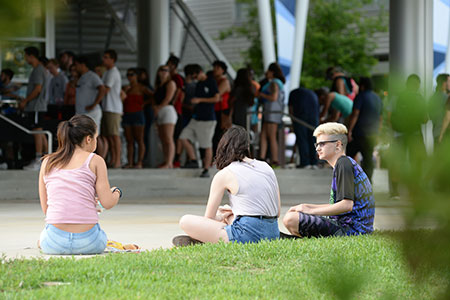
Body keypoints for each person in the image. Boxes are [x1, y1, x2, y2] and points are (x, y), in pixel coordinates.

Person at [173, 126, 280, 246]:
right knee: (229, 214)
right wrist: (229, 213)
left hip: (247, 234)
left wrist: (220, 216)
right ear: (247, 147)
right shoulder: (266, 167)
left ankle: (208, 240)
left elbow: (208, 218)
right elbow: (278, 212)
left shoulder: (225, 173)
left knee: (185, 221)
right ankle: (219, 234)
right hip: (273, 232)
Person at [38, 115, 121, 255]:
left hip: (53, 243)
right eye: (96, 137)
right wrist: (117, 191)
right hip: (90, 243)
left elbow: (47, 208)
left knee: (42, 239)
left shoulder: (48, 162)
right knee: (102, 236)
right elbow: (107, 202)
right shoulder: (96, 161)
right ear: (88, 139)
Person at [282, 122, 375, 238]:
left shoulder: (343, 163)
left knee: (291, 219)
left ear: (338, 145)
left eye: (322, 144)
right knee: (294, 214)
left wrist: (310, 211)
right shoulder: (344, 163)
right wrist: (306, 207)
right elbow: (341, 205)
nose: (317, 148)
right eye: (317, 144)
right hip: (349, 226)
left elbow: (346, 205)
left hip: (353, 230)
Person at [179, 67, 220, 177]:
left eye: (195, 76)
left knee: (206, 145)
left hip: (207, 119)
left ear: (200, 72)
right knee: (183, 137)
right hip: (196, 118)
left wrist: (200, 100)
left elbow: (216, 98)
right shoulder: (198, 85)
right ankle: (193, 159)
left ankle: (206, 168)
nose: (195, 79)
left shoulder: (211, 82)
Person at [347, 77, 383, 182]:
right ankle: (368, 183)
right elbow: (380, 118)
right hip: (372, 133)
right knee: (368, 159)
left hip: (360, 132)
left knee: (348, 156)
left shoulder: (360, 96)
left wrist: (349, 130)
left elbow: (355, 114)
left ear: (362, 86)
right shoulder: (378, 98)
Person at [19, 46, 49, 170]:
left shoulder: (38, 70)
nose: (25, 59)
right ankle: (47, 158)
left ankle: (39, 159)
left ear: (31, 56)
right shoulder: (39, 70)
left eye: (26, 56)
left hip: (36, 105)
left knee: (37, 132)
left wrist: (25, 101)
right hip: (38, 105)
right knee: (40, 132)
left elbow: (37, 89)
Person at [74, 55, 107, 157]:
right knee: (82, 136)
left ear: (82, 65)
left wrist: (94, 104)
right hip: (82, 113)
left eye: (76, 65)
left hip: (92, 112)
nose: (75, 68)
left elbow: (102, 89)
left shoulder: (92, 76)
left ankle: (101, 160)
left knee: (95, 136)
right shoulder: (82, 77)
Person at [122, 68, 153, 168]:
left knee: (139, 139)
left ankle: (140, 162)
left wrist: (144, 104)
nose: (130, 77)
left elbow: (153, 97)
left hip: (138, 114)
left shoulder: (141, 88)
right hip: (127, 114)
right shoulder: (126, 88)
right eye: (128, 75)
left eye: (132, 75)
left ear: (136, 76)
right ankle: (130, 162)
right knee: (129, 140)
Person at [258, 62, 285, 167]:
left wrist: (262, 95)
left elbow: (273, 97)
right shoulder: (278, 83)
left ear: (272, 72)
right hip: (270, 112)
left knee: (271, 136)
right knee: (264, 135)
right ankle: (262, 157)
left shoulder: (274, 83)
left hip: (272, 112)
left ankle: (274, 159)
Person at [173, 64, 200, 168]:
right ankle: (188, 159)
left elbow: (181, 100)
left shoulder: (185, 87)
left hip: (185, 114)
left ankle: (179, 159)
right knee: (186, 138)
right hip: (190, 115)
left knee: (182, 137)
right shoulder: (195, 86)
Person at [288, 86, 320, 169]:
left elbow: (290, 109)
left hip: (300, 116)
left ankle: (305, 162)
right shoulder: (312, 94)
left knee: (302, 139)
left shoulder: (293, 93)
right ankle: (314, 162)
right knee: (313, 139)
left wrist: (293, 122)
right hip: (313, 117)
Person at [101, 49, 122, 168]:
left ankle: (117, 160)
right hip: (107, 107)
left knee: (114, 135)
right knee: (108, 136)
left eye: (106, 57)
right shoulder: (107, 72)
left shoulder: (113, 72)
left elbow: (106, 89)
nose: (104, 60)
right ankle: (113, 158)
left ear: (112, 59)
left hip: (113, 108)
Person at [153, 65, 178, 168]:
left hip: (167, 109)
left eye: (166, 70)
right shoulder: (158, 85)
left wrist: (158, 108)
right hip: (159, 110)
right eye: (162, 70)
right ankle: (166, 160)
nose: (163, 72)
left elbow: (168, 98)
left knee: (168, 137)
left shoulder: (170, 83)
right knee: (162, 138)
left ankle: (169, 162)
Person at [212, 60, 232, 155]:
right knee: (214, 135)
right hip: (215, 110)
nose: (215, 70)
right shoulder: (214, 80)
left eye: (218, 68)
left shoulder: (224, 82)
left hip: (222, 110)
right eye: (214, 68)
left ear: (223, 70)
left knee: (220, 134)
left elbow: (216, 95)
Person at [428, 73, 449, 146]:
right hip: (445, 134)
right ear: (444, 83)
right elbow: (447, 117)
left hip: (435, 133)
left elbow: (430, 116)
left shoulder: (432, 98)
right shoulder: (447, 98)